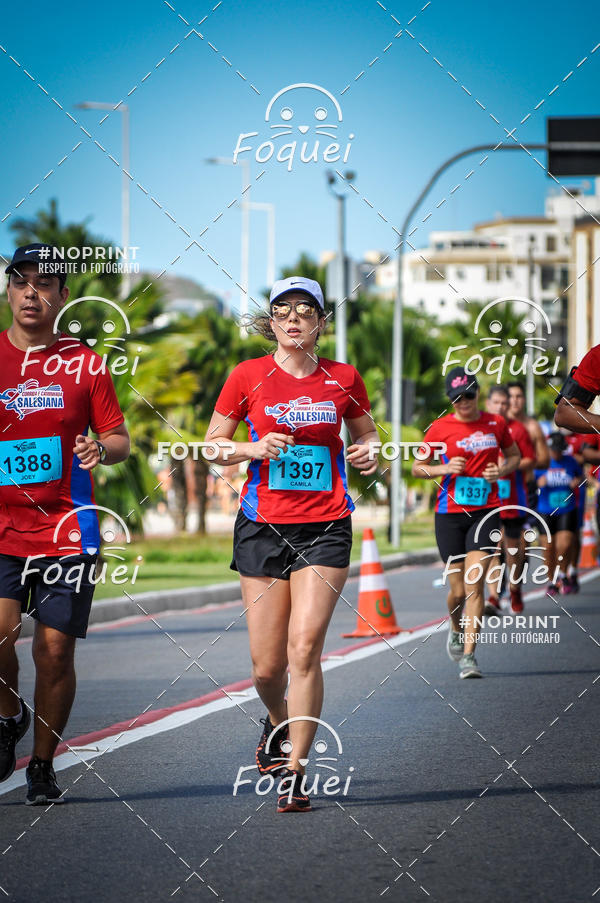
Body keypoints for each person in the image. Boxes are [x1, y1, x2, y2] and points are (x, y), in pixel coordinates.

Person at [205, 276, 378, 812]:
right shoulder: (247, 376)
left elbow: (368, 435)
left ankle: (297, 774)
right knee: (265, 668)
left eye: (306, 310)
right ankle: (278, 724)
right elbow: (213, 447)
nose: (295, 318)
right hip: (262, 525)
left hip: (326, 525)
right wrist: (252, 449)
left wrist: (370, 453)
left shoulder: (343, 378)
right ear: (272, 322)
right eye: (284, 310)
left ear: (321, 322)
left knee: (304, 649)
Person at [0, 244, 130, 804]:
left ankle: (43, 766)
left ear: (62, 296)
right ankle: (9, 715)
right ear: (8, 291)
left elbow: (120, 438)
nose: (32, 292)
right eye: (21, 281)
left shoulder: (84, 363)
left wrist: (101, 447)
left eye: (44, 283)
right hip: (1, 527)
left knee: (54, 651)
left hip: (67, 530)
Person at [412, 367, 520, 679]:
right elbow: (419, 468)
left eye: (468, 395)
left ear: (477, 394)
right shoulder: (439, 428)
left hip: (486, 511)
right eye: (457, 398)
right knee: (457, 590)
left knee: (475, 584)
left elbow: (513, 456)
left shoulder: (495, 423)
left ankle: (469, 656)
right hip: (449, 514)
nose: (463, 402)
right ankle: (456, 628)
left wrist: (500, 471)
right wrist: (443, 469)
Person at [484, 386, 536, 613]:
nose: (501, 407)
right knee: (494, 549)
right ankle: (494, 596)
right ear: (487, 403)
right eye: (497, 402)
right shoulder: (482, 429)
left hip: (513, 497)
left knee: (513, 549)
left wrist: (506, 466)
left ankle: (515, 589)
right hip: (488, 499)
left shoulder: (518, 430)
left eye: (505, 403)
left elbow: (529, 460)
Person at [535, 432, 583, 596]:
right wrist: (537, 483)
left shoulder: (570, 461)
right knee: (548, 548)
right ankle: (552, 581)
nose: (556, 453)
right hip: (545, 511)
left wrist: (577, 482)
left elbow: (582, 476)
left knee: (564, 545)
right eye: (553, 449)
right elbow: (528, 481)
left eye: (558, 450)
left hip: (566, 509)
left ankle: (563, 574)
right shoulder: (540, 463)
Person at [507, 381, 549, 513]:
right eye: (510, 396)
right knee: (497, 532)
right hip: (501, 487)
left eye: (518, 396)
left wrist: (518, 463)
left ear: (524, 399)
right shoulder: (497, 424)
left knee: (524, 532)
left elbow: (545, 461)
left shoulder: (533, 426)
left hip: (526, 487)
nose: (514, 401)